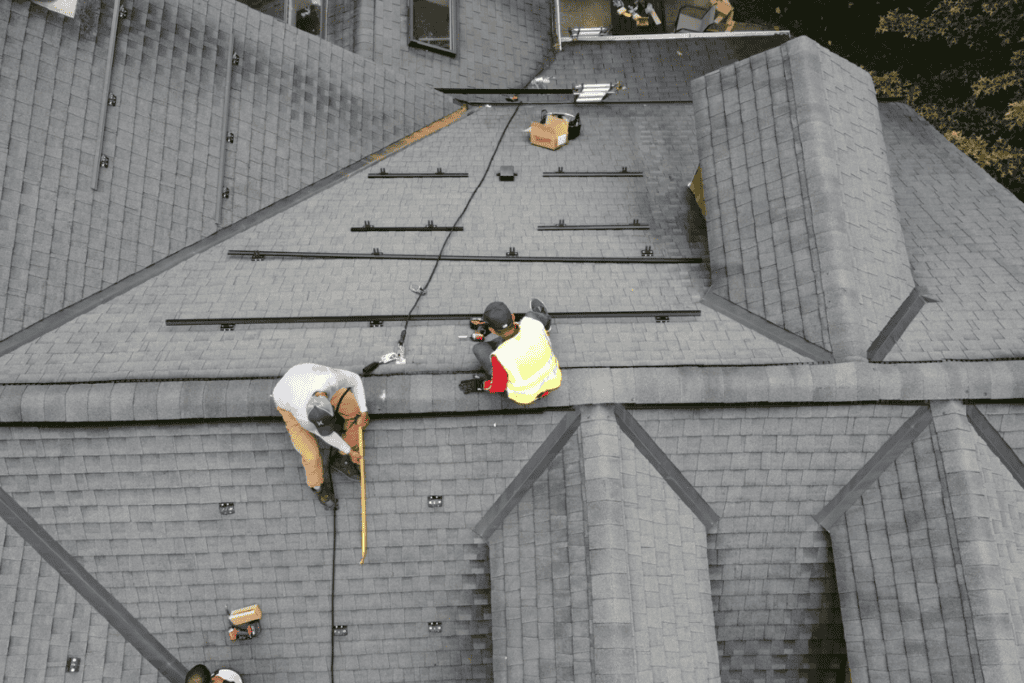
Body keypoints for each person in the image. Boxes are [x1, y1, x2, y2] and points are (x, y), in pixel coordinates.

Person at [272, 363, 371, 508]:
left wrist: (363, 411)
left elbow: (355, 379)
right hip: (285, 399)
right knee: (311, 455)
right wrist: (351, 450)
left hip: (308, 376)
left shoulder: (331, 379)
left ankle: (341, 458)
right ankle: (317, 488)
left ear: (331, 405)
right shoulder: (303, 417)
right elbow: (327, 435)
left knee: (354, 410)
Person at [468, 299, 561, 404]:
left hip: (525, 396)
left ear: (492, 331)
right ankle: (547, 324)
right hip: (553, 381)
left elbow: (498, 387)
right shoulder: (534, 322)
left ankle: (501, 339)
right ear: (512, 317)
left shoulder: (499, 356)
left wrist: (481, 384)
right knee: (534, 315)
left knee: (479, 348)